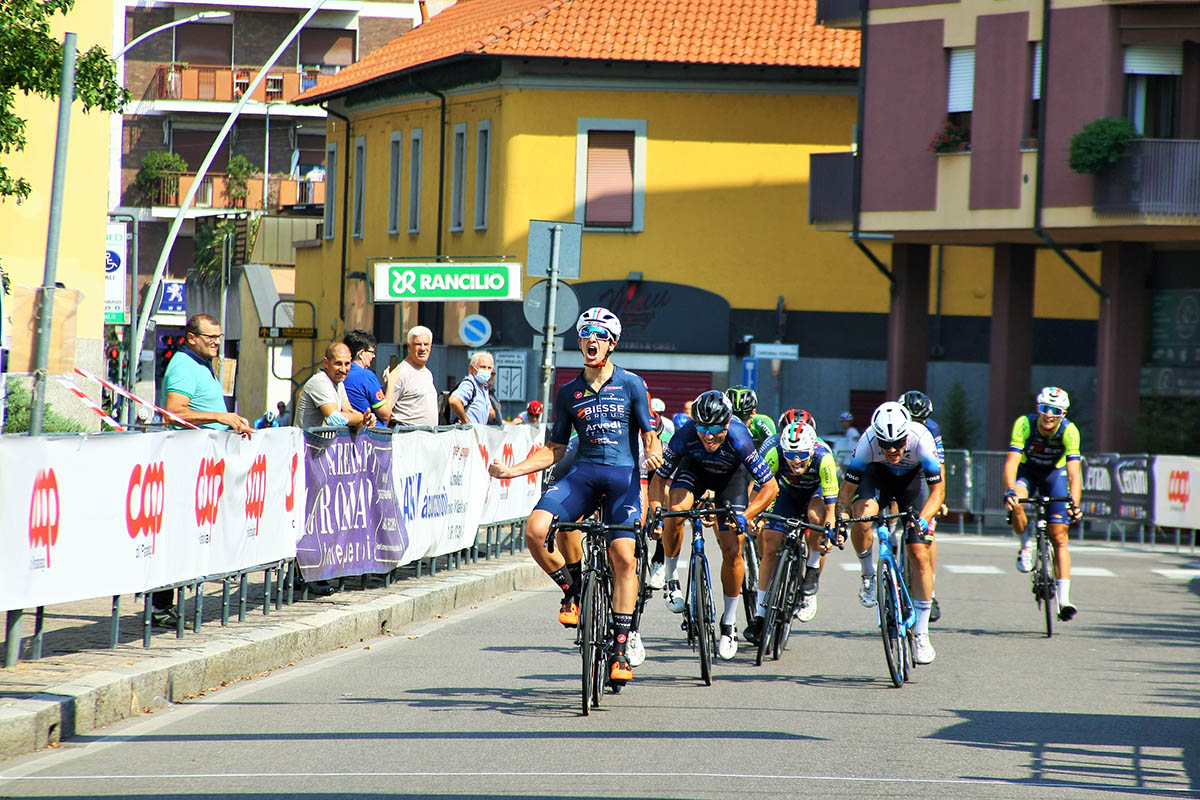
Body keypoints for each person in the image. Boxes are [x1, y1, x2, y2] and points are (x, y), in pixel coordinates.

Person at [489, 307, 662, 684]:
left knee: (623, 557)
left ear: (612, 344)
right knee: (536, 531)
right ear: (580, 342)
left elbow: (650, 434)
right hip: (582, 475)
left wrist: (653, 451)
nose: (592, 340)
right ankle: (575, 590)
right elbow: (555, 449)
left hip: (623, 480)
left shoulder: (632, 383)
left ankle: (620, 649)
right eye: (586, 335)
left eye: (600, 335)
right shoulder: (569, 391)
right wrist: (512, 470)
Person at [650, 390, 778, 661]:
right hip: (694, 471)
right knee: (675, 512)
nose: (708, 436)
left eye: (716, 429)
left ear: (727, 424)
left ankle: (729, 623)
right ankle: (671, 578)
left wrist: (747, 516)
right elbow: (659, 479)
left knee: (733, 549)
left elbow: (770, 486)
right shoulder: (686, 434)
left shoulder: (740, 438)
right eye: (703, 428)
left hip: (730, 479)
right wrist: (656, 512)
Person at [158, 313, 254, 627]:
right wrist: (220, 417)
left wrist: (231, 423)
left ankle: (170, 601)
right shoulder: (184, 365)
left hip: (205, 468)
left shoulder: (203, 364)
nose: (216, 343)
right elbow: (173, 412)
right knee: (177, 536)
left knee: (194, 537)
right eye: (210, 337)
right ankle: (160, 607)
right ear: (191, 337)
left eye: (219, 337)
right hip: (186, 465)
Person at [835, 401, 944, 665]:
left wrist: (923, 520)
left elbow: (938, 492)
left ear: (907, 436)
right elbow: (847, 491)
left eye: (898, 443)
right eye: (886, 444)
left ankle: (921, 632)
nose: (893, 450)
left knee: (919, 553)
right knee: (862, 518)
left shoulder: (922, 438)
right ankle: (868, 574)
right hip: (878, 477)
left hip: (912, 482)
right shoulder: (867, 441)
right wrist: (841, 519)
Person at [746, 422, 840, 642]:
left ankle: (812, 569)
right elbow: (759, 491)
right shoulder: (774, 453)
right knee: (770, 545)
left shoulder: (823, 458)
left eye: (802, 455)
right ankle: (760, 615)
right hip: (786, 492)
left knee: (816, 518)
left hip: (815, 494)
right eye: (790, 455)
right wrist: (753, 517)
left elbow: (831, 509)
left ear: (811, 450)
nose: (796, 461)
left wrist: (829, 533)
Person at [1004, 386, 1083, 621]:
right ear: (1038, 408)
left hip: (1054, 474)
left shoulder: (1070, 431)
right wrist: (1010, 491)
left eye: (1055, 411)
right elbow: (1011, 462)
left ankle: (1064, 600)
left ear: (1063, 414)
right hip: (1027, 471)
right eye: (1045, 408)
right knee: (1016, 502)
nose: (1049, 415)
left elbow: (1074, 473)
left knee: (1059, 537)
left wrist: (1074, 504)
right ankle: (1025, 544)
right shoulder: (1024, 424)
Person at [899, 390, 944, 622]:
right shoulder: (891, 422)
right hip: (893, 473)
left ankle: (930, 593)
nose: (916, 425)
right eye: (911, 420)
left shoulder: (932, 429)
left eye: (921, 420)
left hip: (920, 475)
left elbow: (939, 465)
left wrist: (940, 499)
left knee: (927, 533)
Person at [295, 342, 370, 431]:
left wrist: (366, 420)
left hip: (324, 440)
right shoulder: (320, 381)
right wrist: (360, 417)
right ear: (326, 363)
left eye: (347, 364)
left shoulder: (339, 383)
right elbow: (336, 419)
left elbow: (349, 412)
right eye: (338, 364)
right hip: (307, 439)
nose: (343, 369)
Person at [384, 325, 438, 428]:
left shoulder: (428, 373)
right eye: (418, 344)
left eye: (426, 344)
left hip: (427, 435)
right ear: (409, 347)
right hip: (406, 434)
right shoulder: (400, 373)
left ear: (430, 347)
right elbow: (386, 412)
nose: (423, 348)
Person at [342, 329, 389, 427]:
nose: (374, 356)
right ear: (361, 353)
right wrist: (392, 381)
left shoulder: (341, 375)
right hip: (372, 433)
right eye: (372, 352)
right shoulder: (367, 376)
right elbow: (385, 414)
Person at [448, 351, 496, 425]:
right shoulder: (469, 385)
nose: (486, 371)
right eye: (483, 367)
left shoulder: (484, 388)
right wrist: (465, 422)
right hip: (467, 431)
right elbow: (454, 400)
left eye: (489, 368)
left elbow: (491, 412)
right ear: (471, 369)